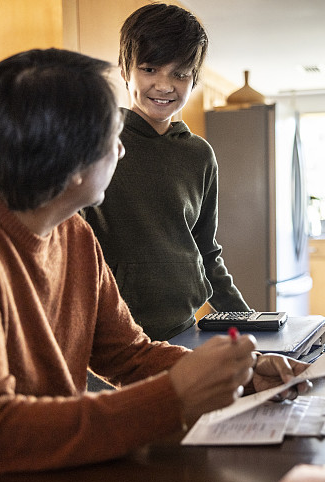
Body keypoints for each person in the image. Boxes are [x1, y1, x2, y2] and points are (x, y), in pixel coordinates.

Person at [0, 48, 309, 482]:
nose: (122, 151)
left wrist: (239, 374)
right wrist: (174, 397)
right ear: (71, 161)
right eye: (113, 138)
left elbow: (129, 355)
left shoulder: (72, 233)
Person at [83, 3, 251, 341]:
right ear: (125, 70)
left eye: (180, 74)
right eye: (149, 69)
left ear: (194, 79)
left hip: (184, 330)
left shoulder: (199, 155)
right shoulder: (94, 143)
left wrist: (248, 323)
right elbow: (71, 245)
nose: (164, 85)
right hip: (111, 337)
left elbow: (206, 251)